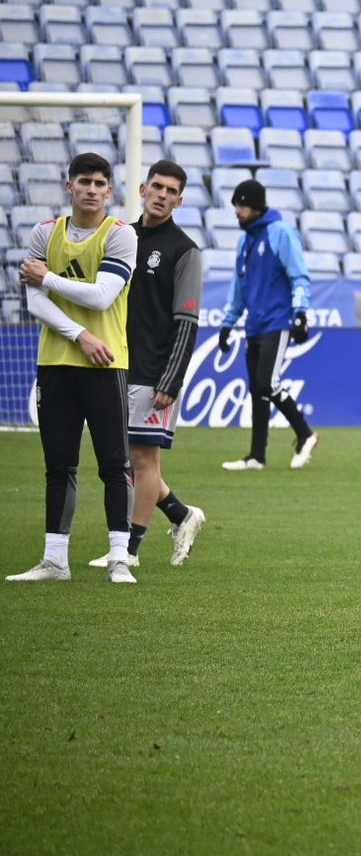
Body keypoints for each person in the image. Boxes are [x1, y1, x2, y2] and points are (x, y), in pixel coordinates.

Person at [8, 153, 139, 584]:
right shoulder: (44, 232)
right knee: (59, 463)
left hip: (107, 362)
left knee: (114, 463)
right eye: (84, 181)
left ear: (110, 190)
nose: (92, 189)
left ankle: (119, 557)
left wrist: (47, 278)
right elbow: (35, 303)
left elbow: (101, 297)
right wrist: (80, 335)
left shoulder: (120, 234)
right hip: (57, 361)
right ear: (69, 186)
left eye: (100, 183)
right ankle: (54, 561)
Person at [83, 161, 207, 570]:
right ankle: (181, 515)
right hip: (115, 364)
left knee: (142, 460)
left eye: (171, 191)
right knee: (122, 460)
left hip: (154, 372)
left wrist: (171, 379)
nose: (162, 195)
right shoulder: (121, 236)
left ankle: (129, 551)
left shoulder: (184, 250)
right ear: (142, 188)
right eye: (157, 186)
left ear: (179, 200)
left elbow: (187, 321)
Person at [217, 179, 318, 471]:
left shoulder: (280, 232)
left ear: (256, 206)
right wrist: (228, 324)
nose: (237, 210)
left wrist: (301, 312)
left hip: (278, 319)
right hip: (255, 324)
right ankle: (256, 457)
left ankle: (306, 434)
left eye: (242, 205)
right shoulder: (244, 241)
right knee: (257, 390)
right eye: (235, 205)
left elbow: (299, 275)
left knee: (266, 383)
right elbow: (239, 287)